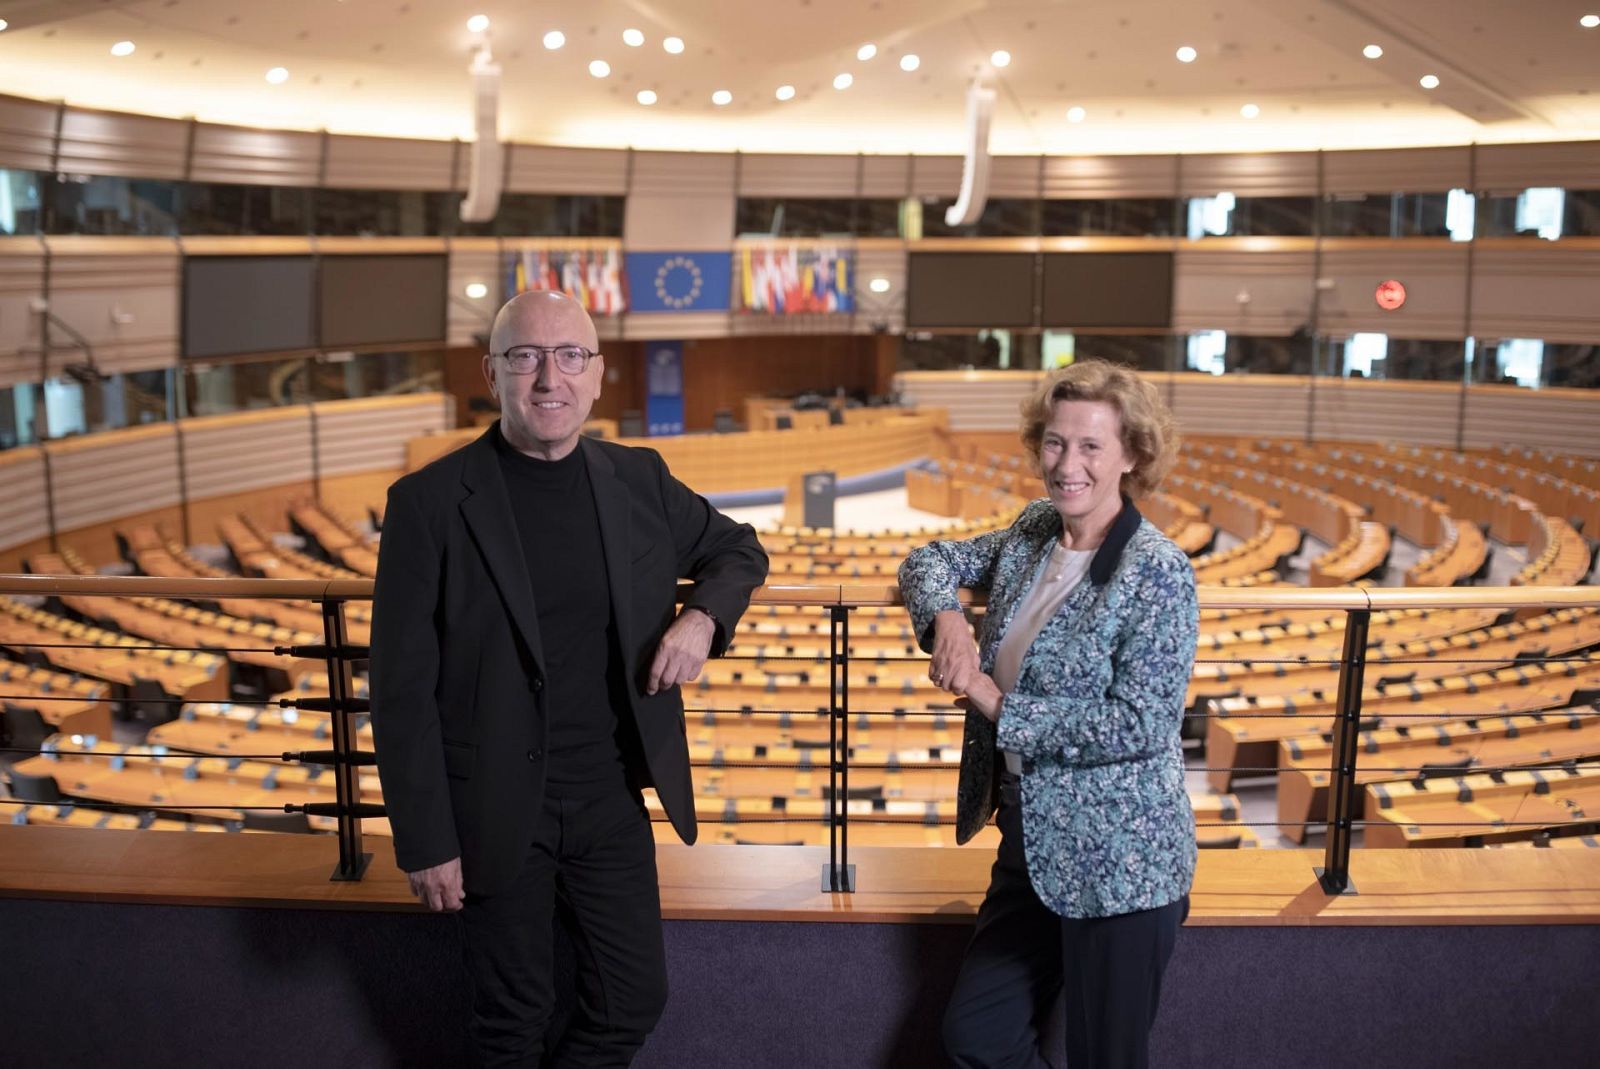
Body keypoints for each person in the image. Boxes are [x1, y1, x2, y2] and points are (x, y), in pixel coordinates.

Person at [369, 289, 769, 1066]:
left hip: (610, 797)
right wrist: (424, 839)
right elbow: (399, 685)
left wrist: (703, 619)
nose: (548, 377)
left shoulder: (638, 478)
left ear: (597, 375)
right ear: (492, 373)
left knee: (633, 1000)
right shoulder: (428, 504)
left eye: (569, 356)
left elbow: (740, 550)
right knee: (511, 1017)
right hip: (491, 802)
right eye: (525, 357)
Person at [898, 360, 1199, 1069]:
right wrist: (946, 619)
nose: (1068, 464)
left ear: (1132, 455)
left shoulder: (1158, 570)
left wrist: (996, 701)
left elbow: (1140, 724)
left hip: (1122, 861)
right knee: (976, 1035)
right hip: (1029, 838)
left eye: (1092, 446)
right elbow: (929, 558)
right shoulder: (1036, 530)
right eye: (1056, 442)